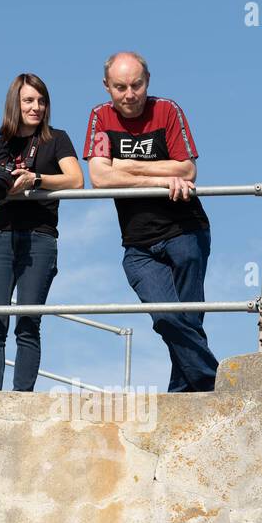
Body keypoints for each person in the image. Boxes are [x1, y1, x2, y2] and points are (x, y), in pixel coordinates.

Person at [83, 51, 218, 392]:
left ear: (148, 81)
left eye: (136, 85)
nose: (129, 95)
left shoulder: (167, 110)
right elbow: (99, 177)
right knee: (167, 318)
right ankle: (214, 383)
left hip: (186, 231)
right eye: (120, 87)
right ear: (106, 87)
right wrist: (160, 177)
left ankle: (181, 397)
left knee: (187, 321)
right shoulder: (100, 117)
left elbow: (187, 169)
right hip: (138, 243)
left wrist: (125, 167)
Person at [0, 74, 83, 391]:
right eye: (28, 100)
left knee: (28, 323)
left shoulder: (57, 140)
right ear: (15, 104)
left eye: (41, 100)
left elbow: (76, 180)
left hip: (40, 237)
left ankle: (22, 399)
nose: (36, 107)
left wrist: (36, 179)